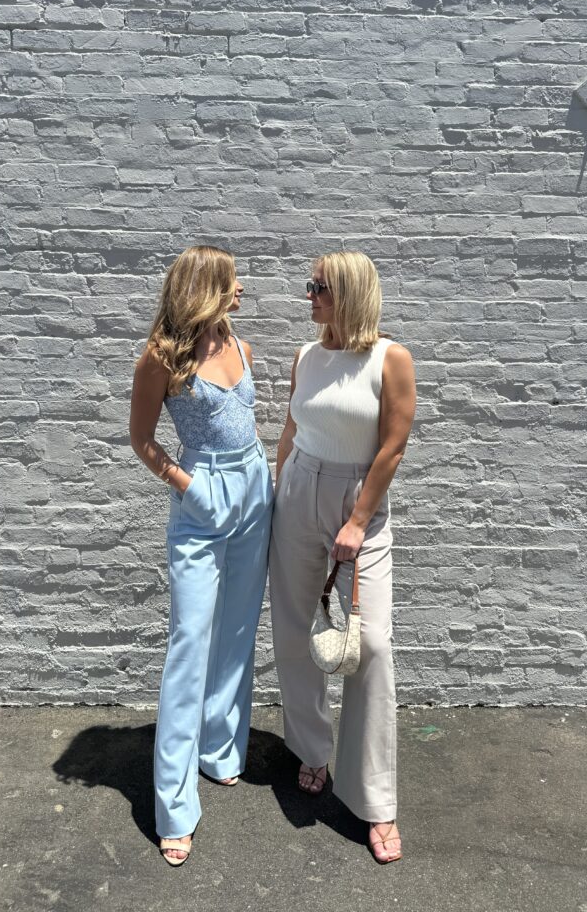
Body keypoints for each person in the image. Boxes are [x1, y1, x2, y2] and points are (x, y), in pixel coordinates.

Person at [269, 250, 416, 865]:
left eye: (319, 287)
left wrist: (358, 521)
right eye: (310, 285)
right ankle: (312, 750)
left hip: (359, 501)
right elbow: (291, 429)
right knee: (293, 629)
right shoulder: (306, 356)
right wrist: (276, 490)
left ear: (350, 292)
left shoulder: (390, 358)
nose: (309, 295)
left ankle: (375, 800)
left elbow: (393, 446)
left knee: (371, 645)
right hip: (298, 490)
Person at [129, 245, 273, 867]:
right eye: (232, 280)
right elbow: (141, 439)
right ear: (206, 287)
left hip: (255, 490)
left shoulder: (237, 341)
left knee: (238, 631)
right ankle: (175, 806)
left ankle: (219, 749)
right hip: (202, 498)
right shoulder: (162, 357)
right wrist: (191, 487)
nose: (241, 289)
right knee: (190, 644)